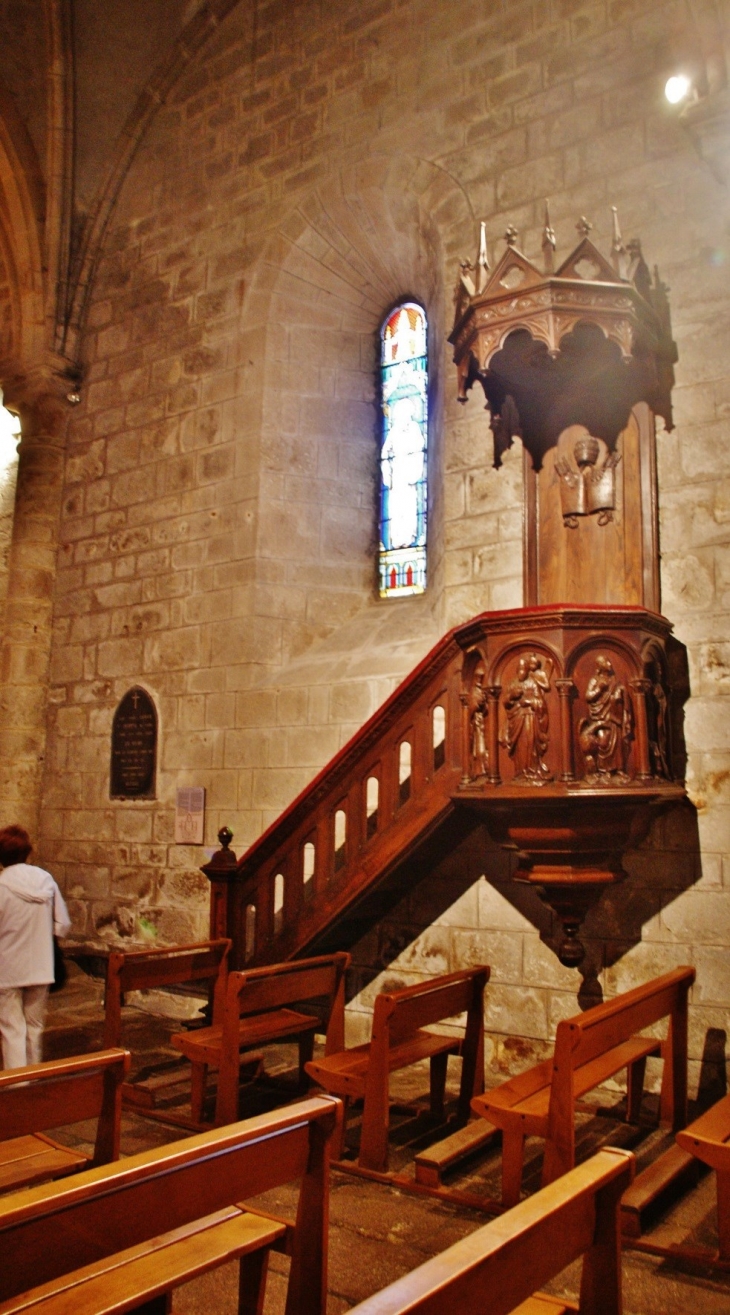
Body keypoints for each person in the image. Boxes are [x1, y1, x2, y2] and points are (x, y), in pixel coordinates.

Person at [0, 824, 70, 1069]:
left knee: (12, 1029)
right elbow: (63, 924)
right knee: (35, 1026)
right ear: (27, 852)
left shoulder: (1, 885)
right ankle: (33, 1080)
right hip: (40, 965)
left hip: (8, 968)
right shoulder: (45, 879)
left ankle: (17, 1085)